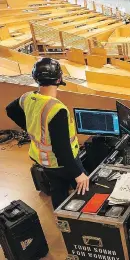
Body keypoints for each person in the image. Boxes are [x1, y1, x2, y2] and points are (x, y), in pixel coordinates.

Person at [6, 58, 89, 209]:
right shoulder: (57, 109)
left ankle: (61, 220)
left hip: (44, 161)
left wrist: (29, 127)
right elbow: (61, 150)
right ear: (59, 79)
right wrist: (78, 174)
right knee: (84, 188)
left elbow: (10, 109)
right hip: (63, 162)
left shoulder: (27, 97)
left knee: (58, 189)